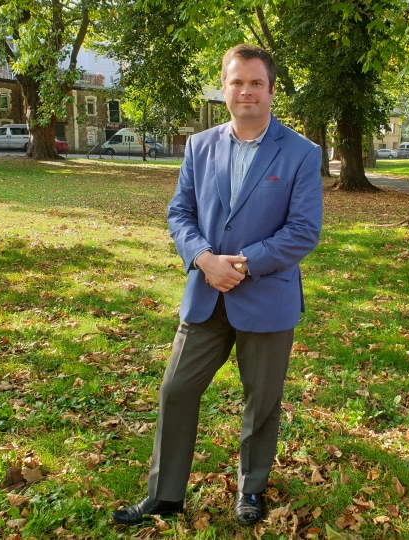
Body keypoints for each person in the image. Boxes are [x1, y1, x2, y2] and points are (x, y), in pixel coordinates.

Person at [111, 44, 323, 527]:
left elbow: (303, 230)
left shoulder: (300, 153)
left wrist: (244, 266)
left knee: (261, 401)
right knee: (176, 390)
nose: (246, 91)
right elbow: (179, 213)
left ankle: (251, 489)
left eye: (255, 83)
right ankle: (165, 495)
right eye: (236, 82)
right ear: (224, 88)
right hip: (206, 294)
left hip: (267, 298)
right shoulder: (200, 145)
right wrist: (204, 259)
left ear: (271, 90)